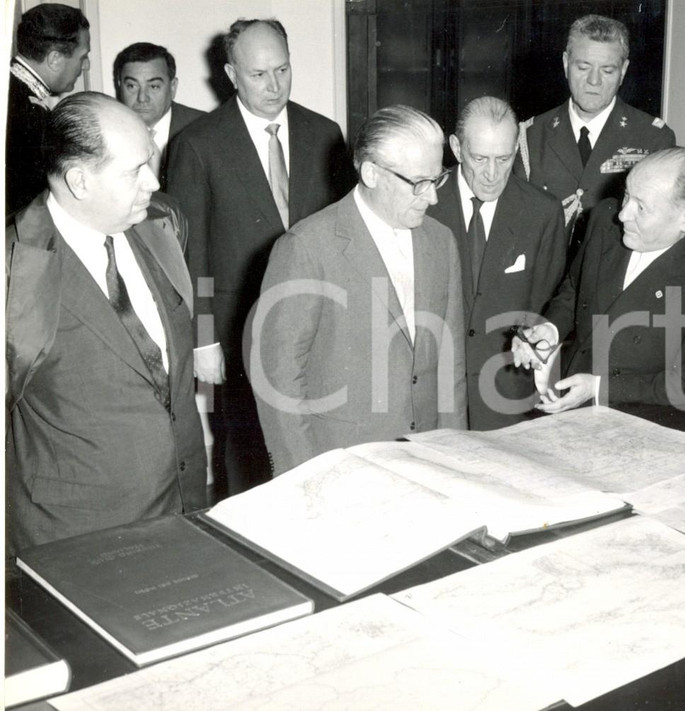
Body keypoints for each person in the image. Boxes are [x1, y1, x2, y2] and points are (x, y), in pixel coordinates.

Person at [6, 93, 207, 554]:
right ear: (79, 180)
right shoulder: (14, 265)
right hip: (75, 537)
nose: (154, 183)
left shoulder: (164, 222)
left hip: (184, 511)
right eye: (135, 170)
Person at [168, 18, 354, 492]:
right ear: (231, 74)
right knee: (246, 448)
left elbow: (343, 231)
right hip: (235, 327)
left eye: (283, 70)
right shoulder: (197, 144)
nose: (275, 86)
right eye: (258, 75)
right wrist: (203, 337)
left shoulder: (325, 133)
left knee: (317, 437)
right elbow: (189, 251)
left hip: (318, 318)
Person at [250, 105, 466, 475]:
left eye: (438, 179)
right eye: (419, 183)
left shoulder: (440, 241)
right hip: (342, 462)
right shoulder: (306, 246)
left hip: (428, 459)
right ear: (371, 173)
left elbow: (451, 362)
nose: (432, 198)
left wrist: (454, 456)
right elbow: (279, 382)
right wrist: (303, 479)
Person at [513, 147, 685, 414]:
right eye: (626, 196)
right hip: (570, 397)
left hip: (640, 422)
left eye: (641, 207)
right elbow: (576, 289)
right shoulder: (604, 222)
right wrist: (551, 328)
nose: (623, 214)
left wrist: (599, 388)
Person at [426, 97, 566, 430]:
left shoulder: (542, 213)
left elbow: (547, 306)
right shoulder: (424, 205)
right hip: (434, 398)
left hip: (507, 398)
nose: (492, 174)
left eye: (504, 159)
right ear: (457, 149)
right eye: (480, 158)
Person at [514, 14, 675, 252]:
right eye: (583, 67)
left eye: (607, 70)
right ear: (566, 63)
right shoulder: (531, 135)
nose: (593, 81)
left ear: (624, 70)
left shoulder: (653, 139)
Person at [6, 3, 90, 215]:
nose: (86, 65)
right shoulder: (26, 113)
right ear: (54, 59)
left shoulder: (12, 92)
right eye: (82, 56)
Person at [113, 42, 204, 189]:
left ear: (173, 87)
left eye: (154, 86)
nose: (142, 98)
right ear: (119, 86)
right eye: (132, 86)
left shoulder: (203, 127)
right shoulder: (105, 131)